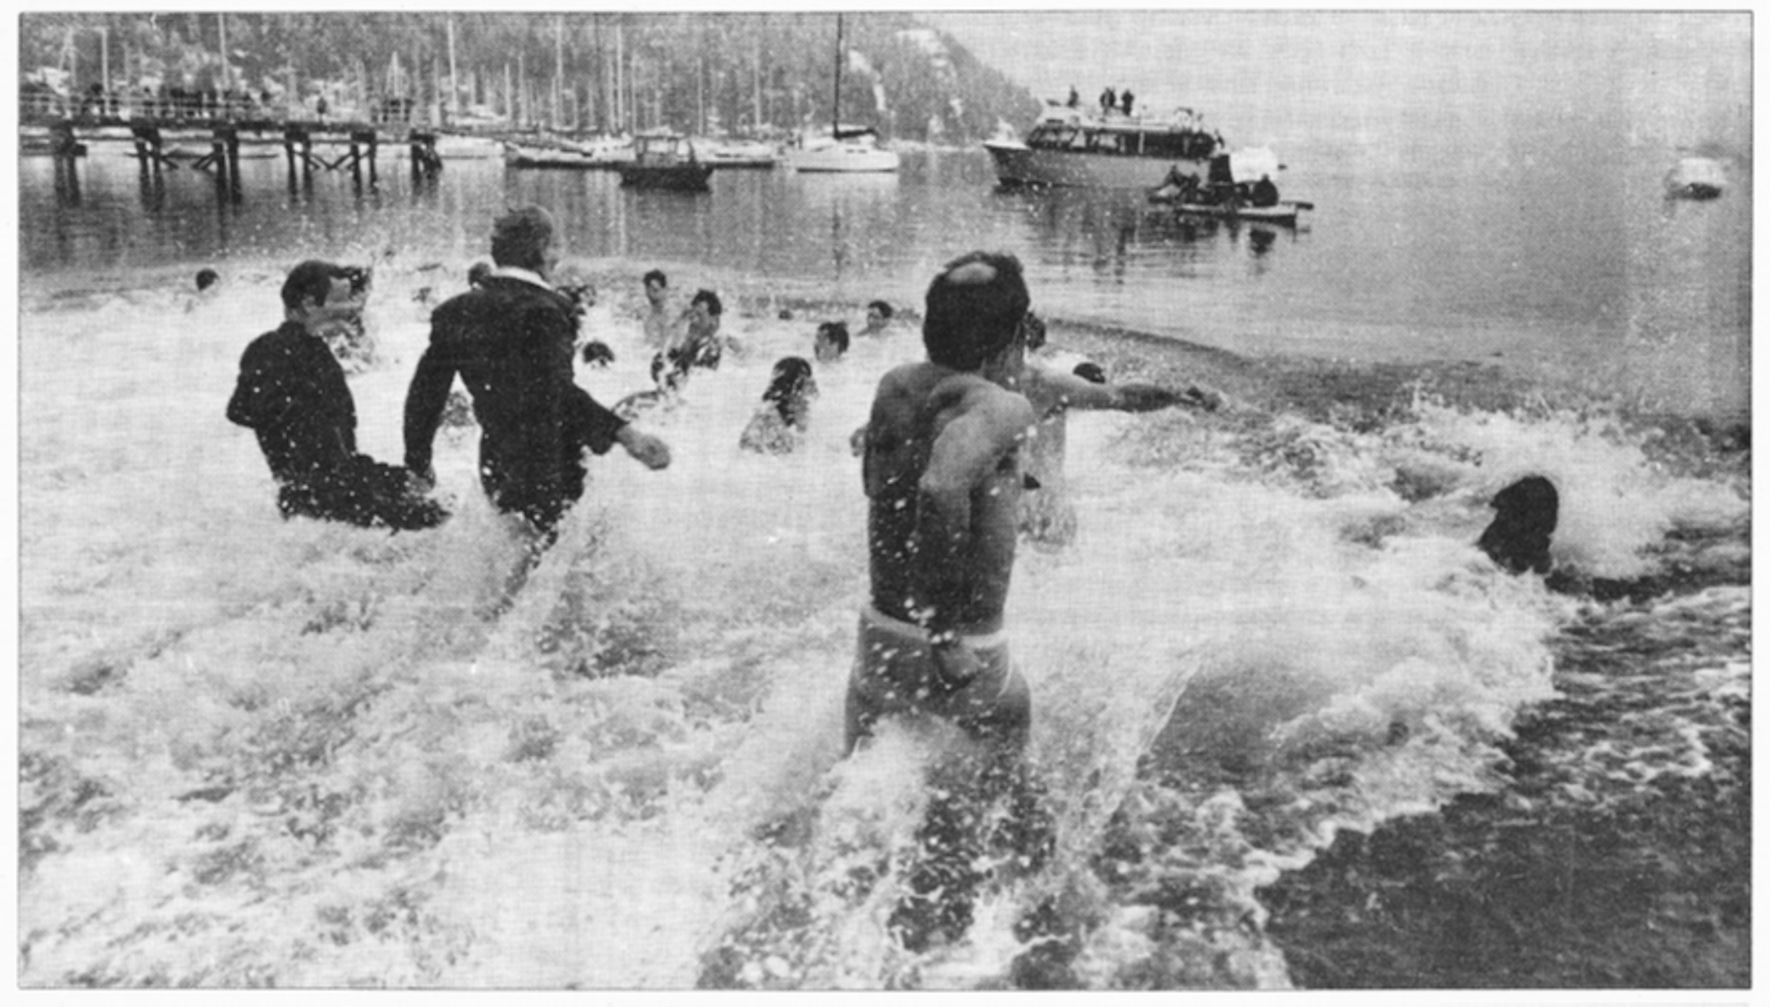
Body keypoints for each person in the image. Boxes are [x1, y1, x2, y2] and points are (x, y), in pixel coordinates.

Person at [849, 251, 1048, 951]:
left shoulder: (894, 385)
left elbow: (880, 480)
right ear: (1010, 338)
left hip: (878, 635)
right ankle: (1001, 934)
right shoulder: (1003, 407)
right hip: (962, 654)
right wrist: (941, 632)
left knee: (855, 814)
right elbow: (940, 487)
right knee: (1012, 805)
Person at [403, 206, 671, 577]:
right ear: (543, 249)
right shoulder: (546, 309)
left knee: (514, 559)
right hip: (550, 460)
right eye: (556, 245)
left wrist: (418, 462)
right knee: (563, 565)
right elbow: (556, 392)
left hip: (495, 457)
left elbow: (426, 393)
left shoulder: (456, 311)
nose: (559, 256)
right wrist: (627, 434)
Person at [227, 260, 447, 532]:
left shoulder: (312, 350)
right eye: (342, 300)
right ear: (309, 304)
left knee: (442, 510)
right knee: (443, 522)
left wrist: (394, 479)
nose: (353, 307)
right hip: (321, 502)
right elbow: (248, 412)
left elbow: (333, 452)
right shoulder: (274, 349)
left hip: (331, 494)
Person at [1013, 310, 1221, 547]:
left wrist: (1176, 396)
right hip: (1032, 514)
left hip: (1044, 517)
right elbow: (1122, 395)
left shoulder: (1043, 383)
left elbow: (1122, 396)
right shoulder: (1038, 383)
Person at [739, 356, 818, 455]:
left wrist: (801, 428)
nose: (814, 392)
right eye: (808, 384)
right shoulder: (768, 418)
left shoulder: (788, 417)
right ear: (793, 390)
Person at [640, 268, 673, 349]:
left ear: (665, 289)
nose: (651, 295)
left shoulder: (668, 315)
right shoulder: (647, 314)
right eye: (648, 290)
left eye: (655, 290)